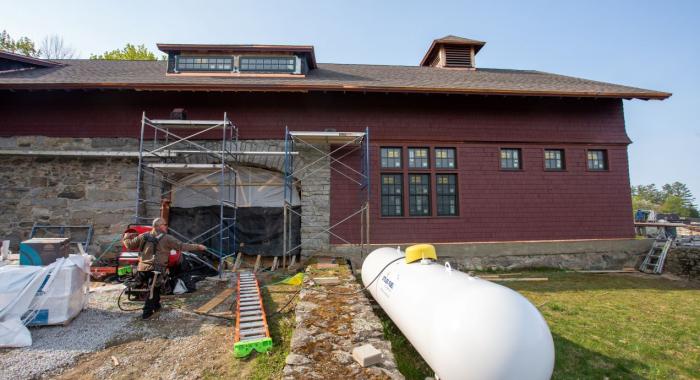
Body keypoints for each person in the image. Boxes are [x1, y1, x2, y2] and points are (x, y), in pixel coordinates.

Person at [122, 218, 207, 319]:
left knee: (155, 289)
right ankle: (146, 314)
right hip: (156, 270)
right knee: (152, 291)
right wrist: (198, 247)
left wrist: (126, 238)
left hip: (142, 269)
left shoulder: (143, 236)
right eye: (164, 225)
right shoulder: (167, 238)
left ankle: (157, 307)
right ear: (158, 226)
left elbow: (130, 245)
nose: (166, 226)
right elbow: (182, 246)